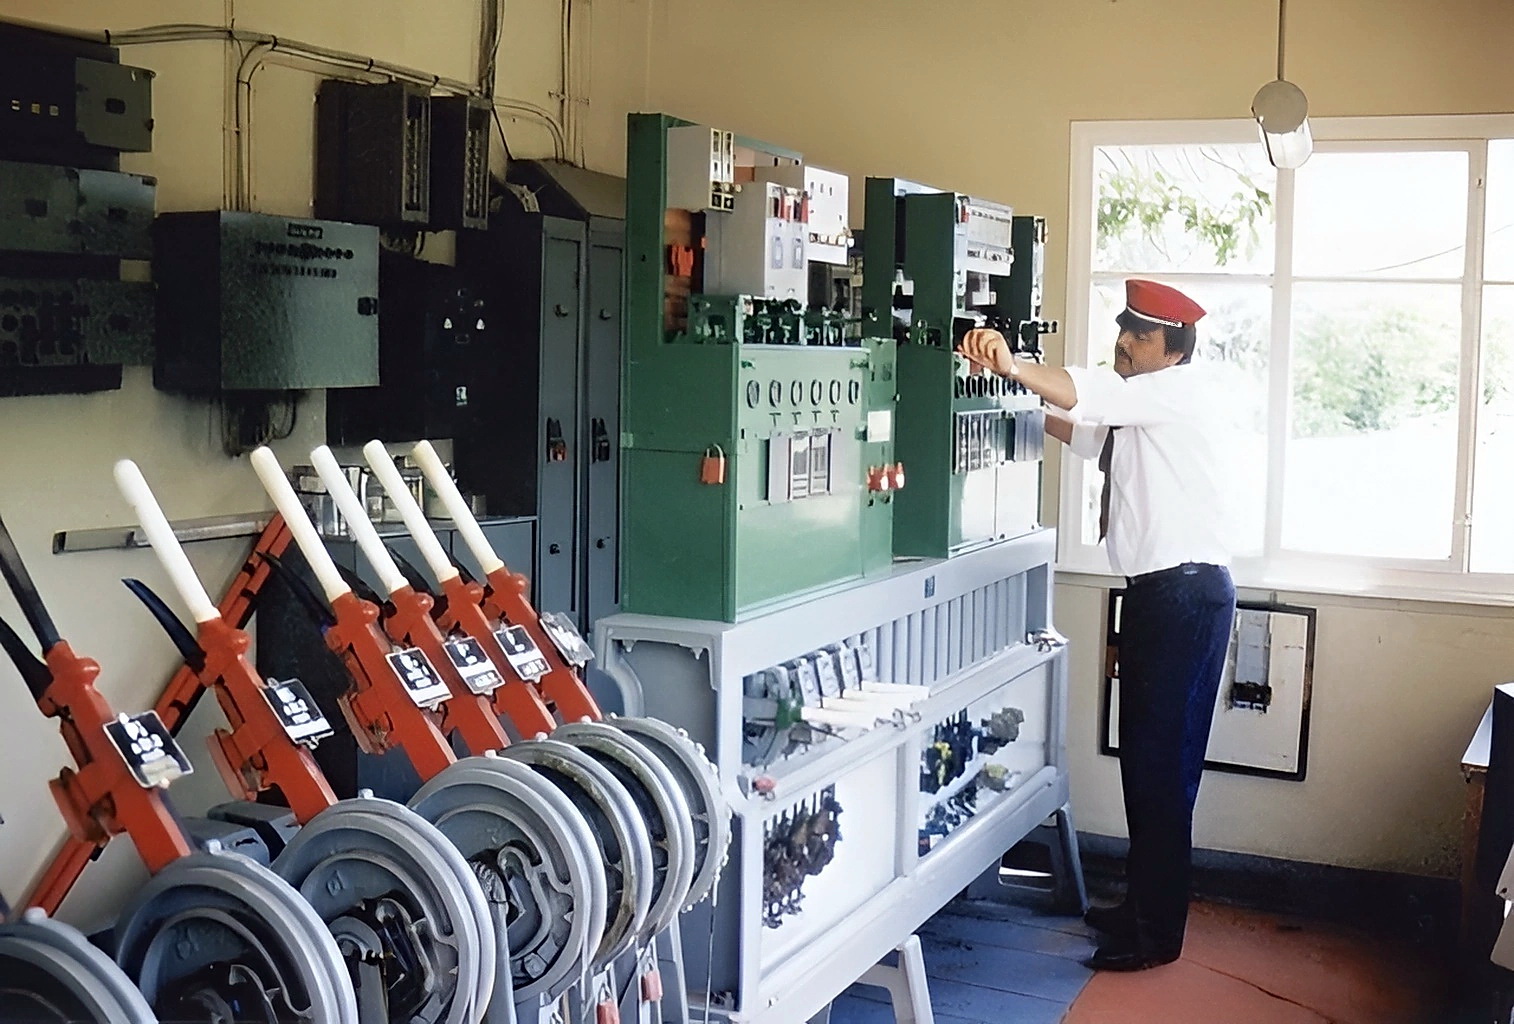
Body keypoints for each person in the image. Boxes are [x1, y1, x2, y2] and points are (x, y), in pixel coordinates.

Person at [959, 279, 1237, 972]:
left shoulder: (1173, 391)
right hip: (1161, 595)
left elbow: (1087, 393)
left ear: (1173, 348)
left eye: (1139, 334)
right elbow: (1084, 431)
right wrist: (1006, 391)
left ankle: (1155, 935)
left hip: (1183, 596)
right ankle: (1141, 908)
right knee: (1145, 762)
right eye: (1124, 329)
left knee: (1161, 769)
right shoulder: (1144, 405)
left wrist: (1013, 362)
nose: (1124, 341)